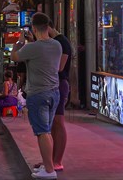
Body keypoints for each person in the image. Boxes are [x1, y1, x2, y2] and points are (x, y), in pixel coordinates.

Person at [12, 12, 62, 180]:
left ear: (33, 28)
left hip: (38, 95)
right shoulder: (57, 45)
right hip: (54, 93)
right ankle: (47, 164)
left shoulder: (30, 48)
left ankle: (49, 170)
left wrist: (19, 42)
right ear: (48, 27)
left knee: (43, 132)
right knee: (46, 131)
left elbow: (14, 57)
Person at [47, 22, 72, 172]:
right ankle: (50, 159)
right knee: (52, 124)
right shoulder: (56, 42)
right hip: (53, 84)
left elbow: (60, 67)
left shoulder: (62, 42)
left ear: (48, 27)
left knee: (58, 121)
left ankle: (58, 161)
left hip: (60, 83)